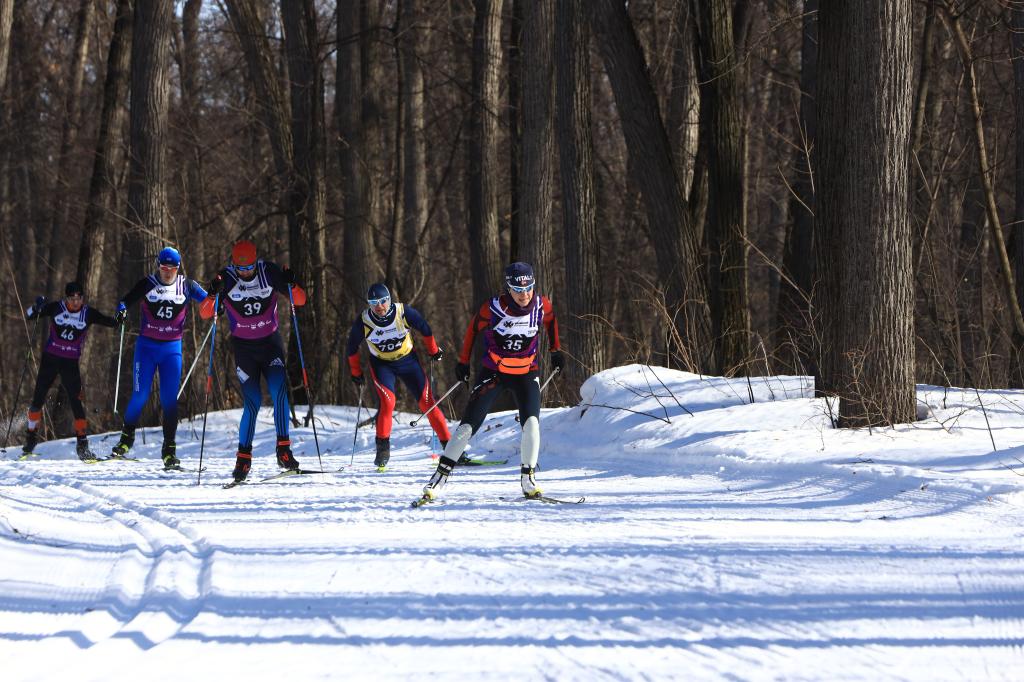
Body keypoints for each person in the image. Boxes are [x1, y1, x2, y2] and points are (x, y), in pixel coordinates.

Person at [419, 262, 563, 502]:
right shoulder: (493, 307)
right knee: (467, 427)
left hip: (527, 372)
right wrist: (463, 362)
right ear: (508, 288)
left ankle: (528, 480)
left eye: (528, 288)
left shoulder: (541, 304)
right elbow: (472, 330)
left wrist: (555, 349)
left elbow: (551, 321)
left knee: (532, 424)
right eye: (518, 290)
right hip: (494, 373)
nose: (524, 295)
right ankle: (439, 478)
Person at [200, 240, 306, 483]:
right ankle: (244, 458)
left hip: (270, 345)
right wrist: (213, 293)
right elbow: (205, 313)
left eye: (249, 267)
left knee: (279, 390)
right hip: (244, 350)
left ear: (256, 261)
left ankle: (284, 450)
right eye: (240, 268)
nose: (245, 272)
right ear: (233, 264)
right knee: (253, 401)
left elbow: (299, 300)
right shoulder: (226, 278)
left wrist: (292, 283)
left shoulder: (268, 272)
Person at [110, 246, 208, 467]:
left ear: (177, 267)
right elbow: (124, 301)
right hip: (146, 347)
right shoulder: (148, 283)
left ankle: (169, 450)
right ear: (158, 266)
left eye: (172, 267)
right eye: (164, 267)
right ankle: (126, 440)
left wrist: (217, 306)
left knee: (168, 400)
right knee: (140, 395)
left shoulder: (187, 285)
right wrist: (122, 310)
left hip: (171, 350)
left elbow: (209, 302)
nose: (167, 272)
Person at [346, 283, 450, 469]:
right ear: (369, 304)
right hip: (382, 365)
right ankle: (383, 450)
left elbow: (425, 329)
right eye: (374, 303)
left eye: (383, 301)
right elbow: (351, 348)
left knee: (427, 402)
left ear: (389, 300)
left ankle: (451, 448)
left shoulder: (403, 312)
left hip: (408, 361)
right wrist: (356, 372)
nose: (380, 306)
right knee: (388, 403)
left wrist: (433, 351)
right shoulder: (364, 321)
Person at [21, 281, 117, 460]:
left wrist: (120, 317)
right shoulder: (57, 308)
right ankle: (31, 438)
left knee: (76, 403)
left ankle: (82, 446)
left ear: (82, 298)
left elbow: (111, 322)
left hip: (70, 363)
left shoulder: (88, 313)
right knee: (37, 399)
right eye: (72, 298)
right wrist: (37, 307)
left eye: (79, 298)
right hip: (50, 360)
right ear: (66, 298)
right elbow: (28, 315)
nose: (75, 302)